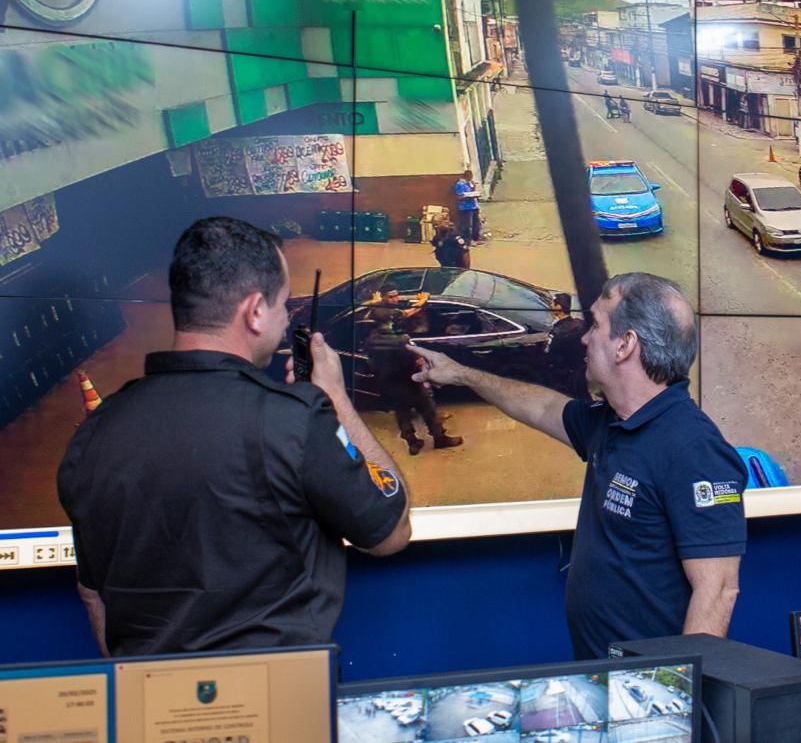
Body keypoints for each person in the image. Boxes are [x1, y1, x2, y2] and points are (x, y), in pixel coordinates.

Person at [57, 217, 411, 657]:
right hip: (275, 688)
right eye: (284, 305)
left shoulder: (96, 431)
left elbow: (93, 594)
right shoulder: (294, 421)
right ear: (255, 310)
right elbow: (391, 531)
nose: (286, 319)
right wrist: (336, 398)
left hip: (145, 692)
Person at [409, 273, 745, 659]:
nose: (585, 338)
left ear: (625, 345)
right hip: (603, 671)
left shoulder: (693, 450)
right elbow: (541, 406)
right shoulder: (610, 421)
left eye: (596, 325)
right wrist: (461, 373)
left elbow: (718, 590)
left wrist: (673, 687)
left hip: (647, 685)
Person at [364, 312, 462, 455]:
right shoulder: (401, 340)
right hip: (409, 381)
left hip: (390, 383)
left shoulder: (371, 340)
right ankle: (439, 438)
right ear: (390, 320)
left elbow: (371, 362)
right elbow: (415, 361)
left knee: (402, 413)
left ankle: (412, 443)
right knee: (428, 409)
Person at [546, 292, 589, 398]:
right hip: (579, 371)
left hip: (563, 376)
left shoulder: (558, 331)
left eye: (553, 304)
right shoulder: (580, 324)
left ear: (559, 307)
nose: (550, 306)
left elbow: (551, 355)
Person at [454, 170, 483, 245]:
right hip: (465, 208)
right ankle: (467, 240)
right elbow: (460, 196)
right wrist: (468, 196)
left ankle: (475, 238)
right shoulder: (460, 184)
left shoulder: (470, 183)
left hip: (474, 206)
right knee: (467, 226)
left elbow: (472, 192)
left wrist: (474, 188)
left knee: (476, 224)